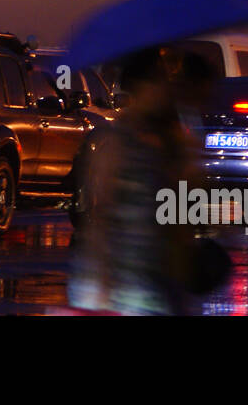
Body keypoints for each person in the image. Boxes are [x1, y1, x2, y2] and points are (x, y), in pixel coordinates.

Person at [68, 46, 202, 315]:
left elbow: (187, 211)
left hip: (160, 277)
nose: (165, 90)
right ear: (140, 87)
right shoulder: (120, 141)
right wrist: (102, 281)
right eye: (159, 81)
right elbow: (102, 214)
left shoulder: (169, 139)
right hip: (128, 282)